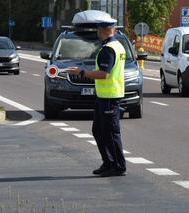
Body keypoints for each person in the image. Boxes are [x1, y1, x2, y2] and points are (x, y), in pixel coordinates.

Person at [66, 12, 126, 177]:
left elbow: (104, 74)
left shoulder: (108, 49)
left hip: (110, 97)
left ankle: (118, 166)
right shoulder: (118, 45)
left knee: (110, 132)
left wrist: (82, 72)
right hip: (106, 96)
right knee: (98, 130)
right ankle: (108, 163)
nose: (97, 32)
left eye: (99, 29)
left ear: (105, 30)